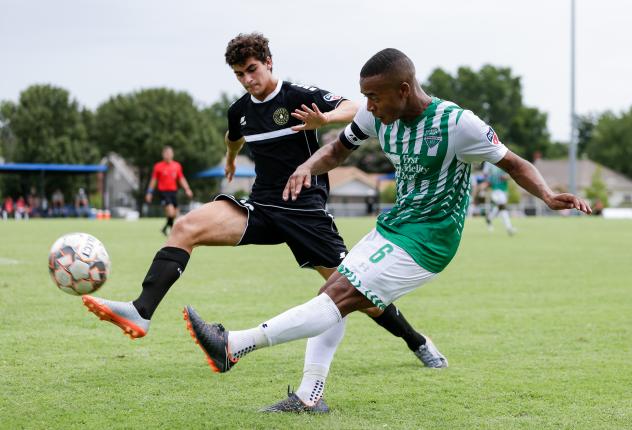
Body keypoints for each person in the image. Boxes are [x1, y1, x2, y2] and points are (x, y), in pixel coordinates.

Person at [181, 48, 592, 413]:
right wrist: (307, 166)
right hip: (393, 227)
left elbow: (514, 163)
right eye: (366, 97)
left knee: (339, 295)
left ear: (405, 89)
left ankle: (234, 345)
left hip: (429, 239)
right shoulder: (376, 114)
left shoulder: (457, 124)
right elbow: (338, 149)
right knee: (333, 296)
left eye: (375, 97)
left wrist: (548, 195)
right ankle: (309, 397)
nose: (368, 106)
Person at [81, 35, 439, 410]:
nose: (248, 79)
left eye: (252, 69)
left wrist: (324, 119)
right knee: (186, 227)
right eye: (239, 74)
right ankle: (141, 312)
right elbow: (233, 136)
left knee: (358, 296)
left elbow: (353, 107)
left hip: (305, 213)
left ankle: (416, 341)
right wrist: (231, 159)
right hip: (262, 207)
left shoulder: (297, 95)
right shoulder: (239, 110)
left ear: (268, 61)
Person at [145, 146, 193, 235]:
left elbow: (181, 178)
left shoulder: (177, 166)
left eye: (170, 153)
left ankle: (164, 229)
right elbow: (153, 180)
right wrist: (149, 192)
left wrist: (187, 189)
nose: (168, 155)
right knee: (170, 212)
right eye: (166, 153)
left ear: (172, 154)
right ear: (163, 155)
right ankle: (173, 233)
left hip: (173, 192)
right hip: (163, 192)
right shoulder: (158, 166)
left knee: (175, 214)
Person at [484, 161, 516, 235]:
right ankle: (509, 228)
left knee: (500, 208)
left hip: (503, 191)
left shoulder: (503, 166)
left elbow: (508, 176)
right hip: (496, 192)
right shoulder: (491, 167)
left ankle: (489, 218)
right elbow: (487, 179)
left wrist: (506, 177)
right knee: (503, 208)